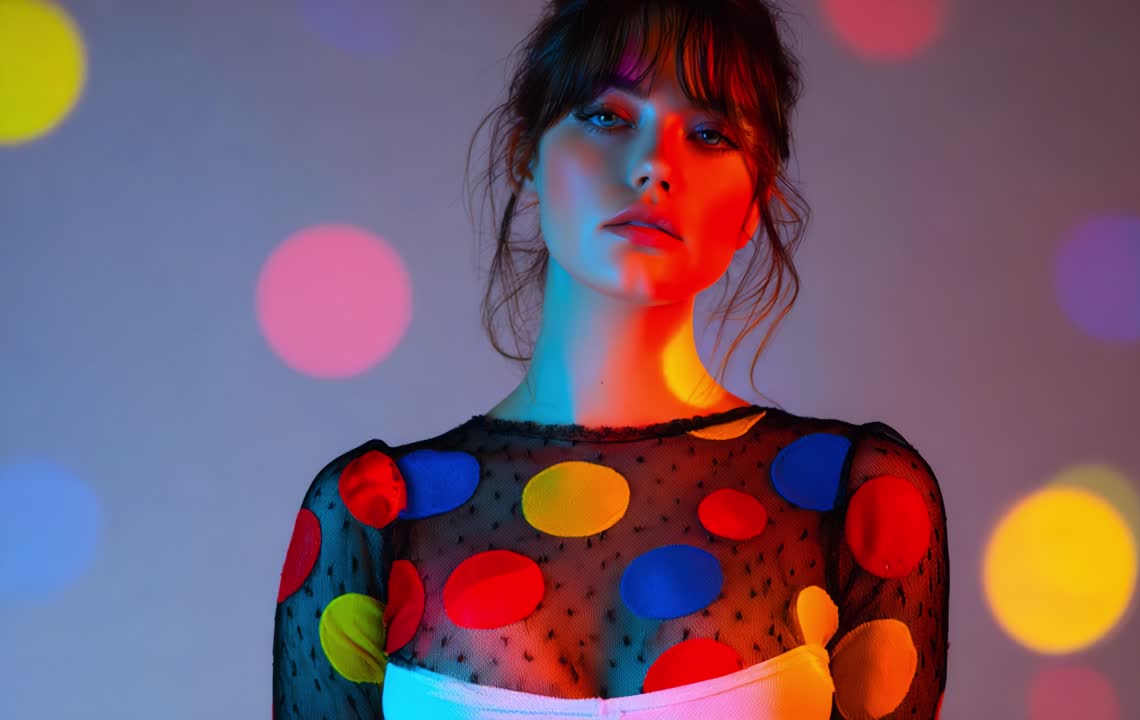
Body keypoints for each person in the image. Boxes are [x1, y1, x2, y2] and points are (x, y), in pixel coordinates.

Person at [272, 1, 949, 718]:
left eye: (710, 133)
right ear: (522, 155)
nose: (655, 164)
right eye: (607, 116)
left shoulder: (856, 501)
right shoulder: (372, 516)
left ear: (757, 201)